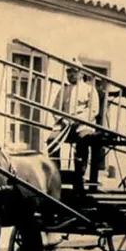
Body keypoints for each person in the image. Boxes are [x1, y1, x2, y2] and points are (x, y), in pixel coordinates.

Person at [46, 58, 100, 187]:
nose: (70, 75)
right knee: (52, 140)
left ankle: (79, 174)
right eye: (68, 72)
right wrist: (62, 119)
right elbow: (55, 108)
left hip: (83, 125)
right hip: (65, 125)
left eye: (73, 72)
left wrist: (79, 119)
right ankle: (55, 172)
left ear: (81, 73)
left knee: (83, 140)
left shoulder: (89, 89)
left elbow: (93, 110)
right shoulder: (64, 90)